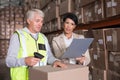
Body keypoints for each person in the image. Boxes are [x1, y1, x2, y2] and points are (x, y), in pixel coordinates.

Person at [5, 9, 67, 80]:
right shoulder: (18, 36)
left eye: (41, 21)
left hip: (40, 76)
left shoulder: (43, 38)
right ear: (29, 21)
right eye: (37, 21)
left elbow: (49, 57)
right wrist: (24, 61)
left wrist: (55, 61)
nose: (40, 24)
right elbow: (9, 61)